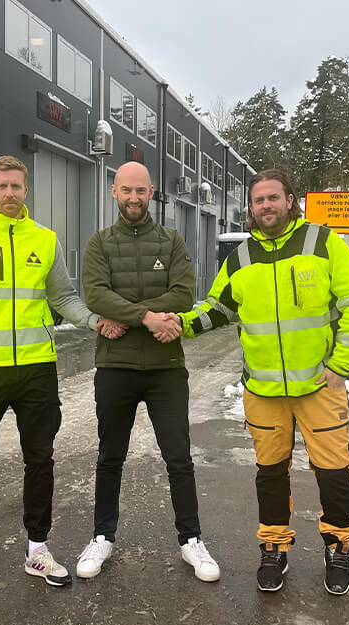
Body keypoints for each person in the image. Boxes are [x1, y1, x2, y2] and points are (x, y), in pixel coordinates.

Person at [0, 155, 125, 589]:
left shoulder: (45, 239)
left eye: (16, 186)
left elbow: (64, 298)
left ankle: (38, 550)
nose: (10, 193)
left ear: (26, 189)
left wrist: (95, 321)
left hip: (36, 370)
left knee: (40, 460)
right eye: (2, 186)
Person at [170, 168, 349, 595]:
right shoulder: (241, 257)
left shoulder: (323, 243)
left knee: (334, 473)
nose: (266, 206)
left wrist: (341, 365)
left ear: (290, 200)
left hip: (319, 387)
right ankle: (274, 547)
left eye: (273, 198)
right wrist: (179, 324)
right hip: (263, 391)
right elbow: (218, 309)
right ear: (251, 207)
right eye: (258, 200)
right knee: (271, 474)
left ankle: (338, 546)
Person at [74, 161, 220, 582]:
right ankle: (102, 536)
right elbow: (96, 294)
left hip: (165, 368)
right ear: (114, 192)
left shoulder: (171, 241)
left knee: (179, 458)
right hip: (115, 366)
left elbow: (183, 293)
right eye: (126, 190)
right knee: (110, 457)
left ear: (151, 193)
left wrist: (132, 314)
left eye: (141, 191)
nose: (134, 198)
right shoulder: (99, 244)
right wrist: (149, 317)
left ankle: (191, 540)